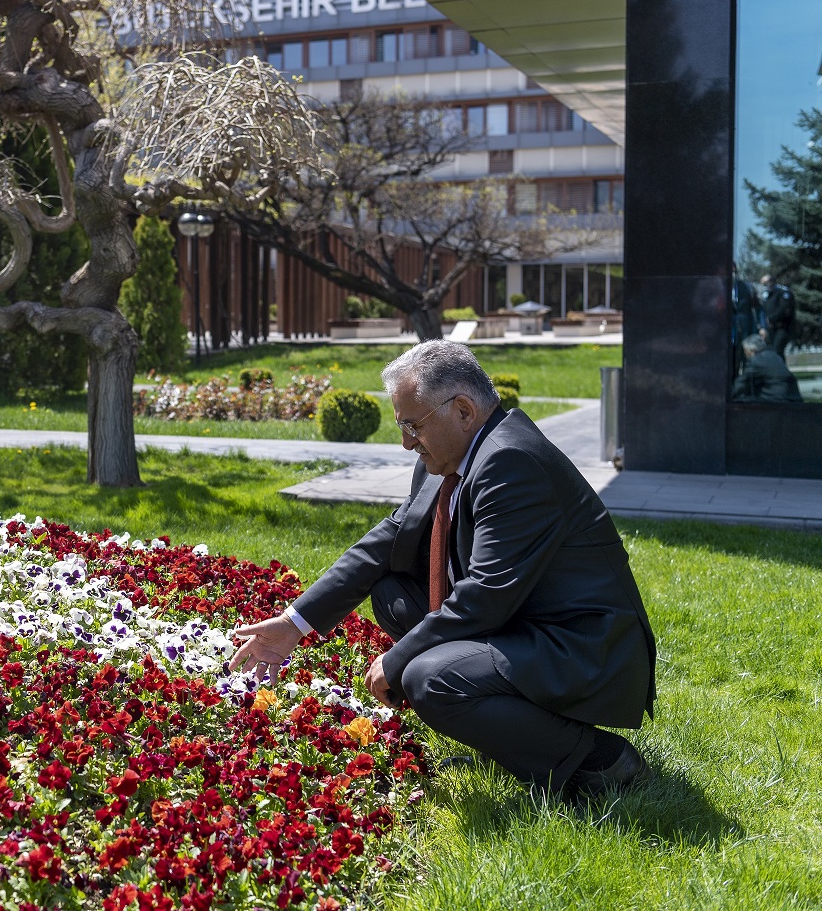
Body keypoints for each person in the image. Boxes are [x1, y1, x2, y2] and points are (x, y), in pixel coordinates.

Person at [230, 341, 656, 796]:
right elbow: (386, 542)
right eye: (401, 425)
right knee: (393, 594)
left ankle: (600, 762)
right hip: (524, 623)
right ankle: (509, 735)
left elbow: (485, 595)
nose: (406, 441)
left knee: (427, 678)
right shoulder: (449, 457)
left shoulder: (511, 462)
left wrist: (396, 661)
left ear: (464, 411)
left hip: (582, 646)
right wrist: (295, 623)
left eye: (412, 425)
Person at [732, 334, 802, 402]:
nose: (745, 355)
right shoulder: (774, 355)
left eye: (746, 351)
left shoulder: (756, 361)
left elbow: (741, 383)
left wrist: (727, 395)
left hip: (777, 400)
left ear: (752, 350)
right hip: (793, 398)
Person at [760, 275, 796, 357]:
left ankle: (780, 369)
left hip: (783, 328)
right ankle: (781, 369)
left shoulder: (783, 293)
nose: (765, 286)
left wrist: (771, 319)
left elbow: (784, 310)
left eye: (766, 283)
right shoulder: (767, 296)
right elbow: (764, 311)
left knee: (777, 350)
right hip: (772, 329)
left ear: (772, 282)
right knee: (776, 352)